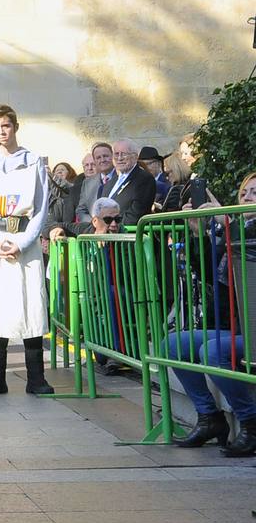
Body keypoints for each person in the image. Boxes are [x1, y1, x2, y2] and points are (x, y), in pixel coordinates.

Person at [165, 170, 256, 457]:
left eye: (254, 193)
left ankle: (251, 422)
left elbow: (246, 251)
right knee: (173, 344)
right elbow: (211, 275)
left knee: (214, 352)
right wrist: (198, 231)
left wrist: (226, 223)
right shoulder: (236, 226)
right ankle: (210, 418)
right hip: (237, 326)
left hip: (252, 330)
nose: (247, 197)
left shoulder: (240, 229)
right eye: (244, 193)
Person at [0, 104, 54, 396]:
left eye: (6, 125)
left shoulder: (33, 163)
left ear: (15, 126)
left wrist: (22, 242)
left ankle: (36, 377)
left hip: (23, 240)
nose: (1, 132)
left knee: (31, 303)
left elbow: (41, 208)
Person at [101, 139, 157, 228]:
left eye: (123, 154)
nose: (119, 158)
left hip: (126, 236)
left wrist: (110, 226)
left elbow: (135, 216)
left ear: (135, 157)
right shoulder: (111, 182)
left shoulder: (144, 179)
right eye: (116, 154)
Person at [74, 141, 115, 223]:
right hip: (93, 230)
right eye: (98, 157)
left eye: (106, 156)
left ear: (113, 157)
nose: (102, 160)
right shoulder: (88, 183)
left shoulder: (121, 178)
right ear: (95, 161)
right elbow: (81, 210)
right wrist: (95, 223)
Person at [138, 145, 170, 210]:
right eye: (141, 165)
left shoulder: (167, 182)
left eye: (148, 164)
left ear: (158, 164)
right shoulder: (138, 183)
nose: (145, 167)